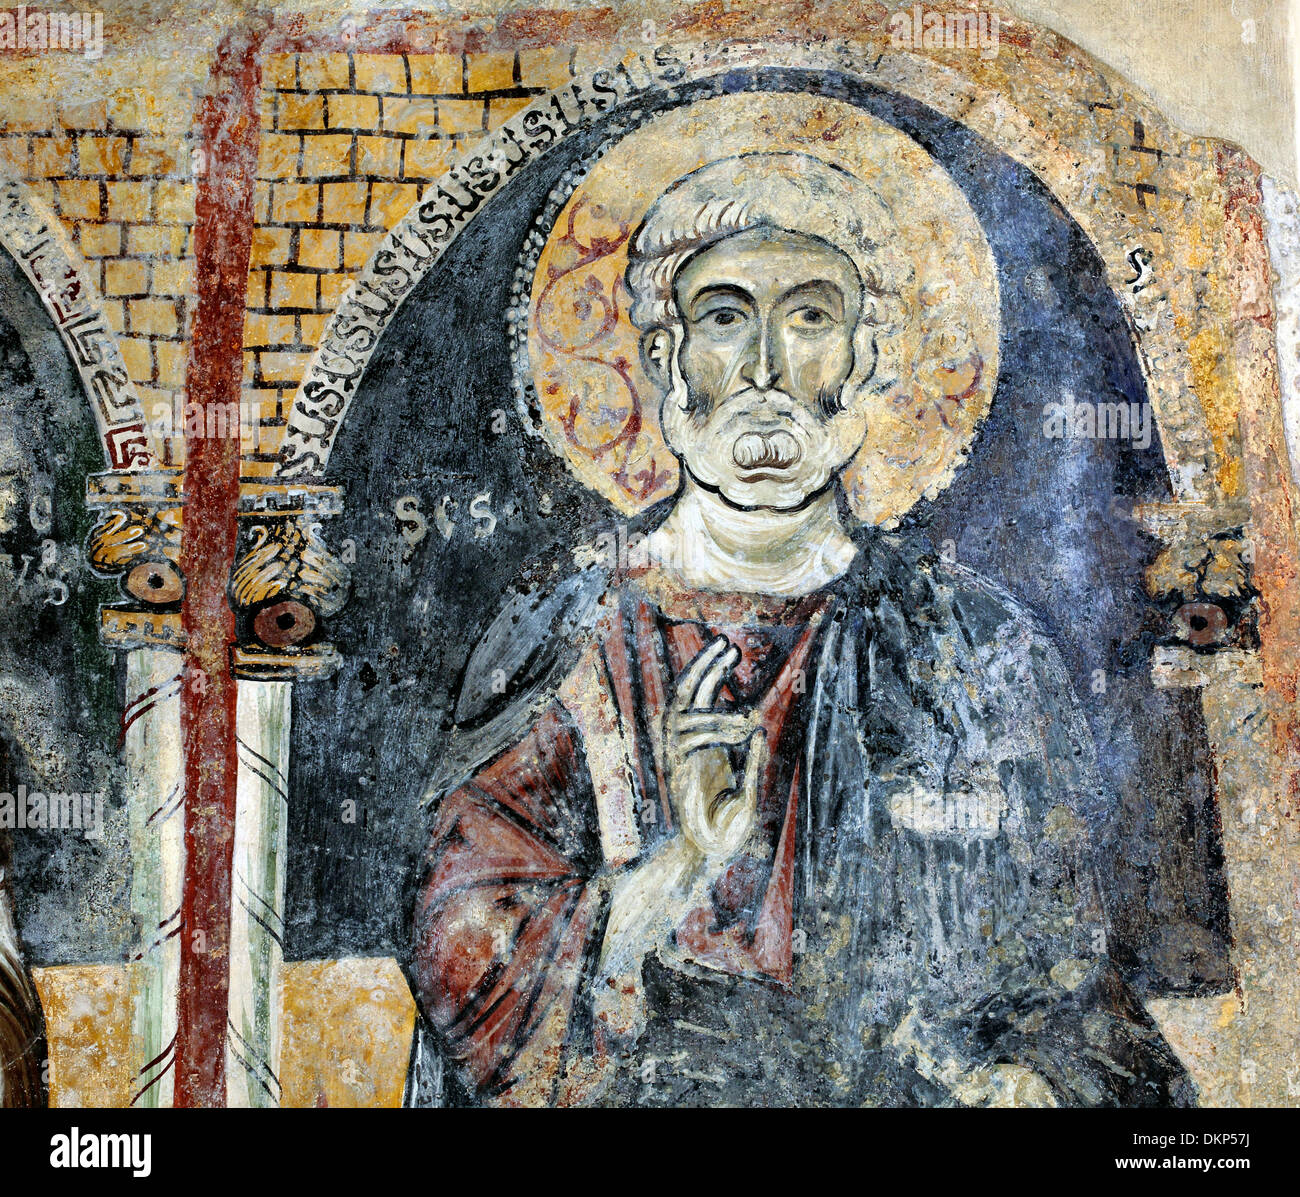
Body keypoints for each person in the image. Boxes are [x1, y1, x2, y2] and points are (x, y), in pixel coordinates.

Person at [404, 153, 1194, 1107]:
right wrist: (683, 861)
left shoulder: (977, 649)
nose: (766, 370)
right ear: (663, 361)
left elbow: (1063, 976)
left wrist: (1032, 1081)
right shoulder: (571, 636)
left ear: (865, 358)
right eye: (726, 317)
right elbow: (466, 950)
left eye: (810, 318)